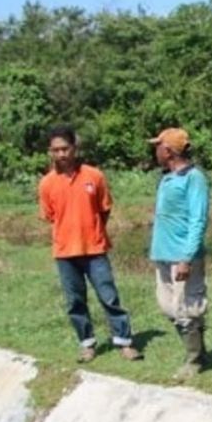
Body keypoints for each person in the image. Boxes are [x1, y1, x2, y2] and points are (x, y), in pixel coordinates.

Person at [38, 125, 141, 363]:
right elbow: (51, 216)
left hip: (94, 249)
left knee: (109, 297)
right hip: (65, 252)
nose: (61, 154)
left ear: (74, 148)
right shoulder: (46, 184)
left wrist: (93, 230)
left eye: (65, 148)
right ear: (50, 152)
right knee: (75, 301)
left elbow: (104, 209)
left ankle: (124, 342)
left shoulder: (94, 176)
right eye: (56, 150)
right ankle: (87, 344)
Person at [149, 127, 211, 380]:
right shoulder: (167, 177)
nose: (155, 151)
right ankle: (198, 351)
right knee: (168, 306)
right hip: (163, 254)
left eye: (158, 146)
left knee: (186, 307)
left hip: (183, 256)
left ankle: (194, 360)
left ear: (169, 150)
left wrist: (187, 257)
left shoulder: (194, 178)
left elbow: (198, 219)